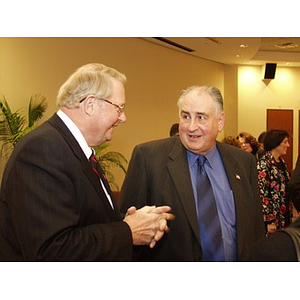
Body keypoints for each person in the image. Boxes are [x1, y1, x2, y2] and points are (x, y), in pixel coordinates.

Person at [0, 63, 174, 261]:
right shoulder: (43, 149)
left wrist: (128, 223)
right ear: (90, 104)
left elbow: (85, 224)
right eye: (119, 108)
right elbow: (51, 251)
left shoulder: (72, 148)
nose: (123, 118)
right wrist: (127, 231)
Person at [119, 85, 265, 261]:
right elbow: (127, 230)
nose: (191, 127)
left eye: (201, 117)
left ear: (220, 121)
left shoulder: (243, 162)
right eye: (186, 117)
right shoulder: (148, 158)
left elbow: (255, 228)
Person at [257, 129, 291, 235]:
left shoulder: (282, 163)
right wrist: (269, 221)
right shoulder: (263, 164)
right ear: (275, 143)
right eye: (285, 142)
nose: (288, 145)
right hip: (271, 220)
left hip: (283, 214)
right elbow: (262, 194)